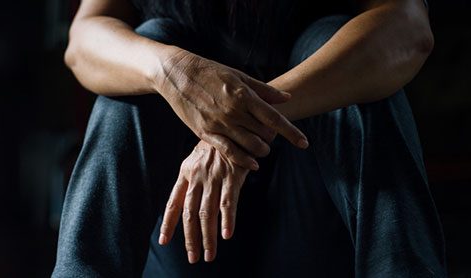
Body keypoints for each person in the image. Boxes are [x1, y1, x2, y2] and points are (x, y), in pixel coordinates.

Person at [53, 0, 446, 277]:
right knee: (150, 45)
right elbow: (84, 40)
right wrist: (171, 71)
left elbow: (408, 26)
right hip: (190, 230)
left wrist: (237, 123)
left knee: (341, 46)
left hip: (318, 222)